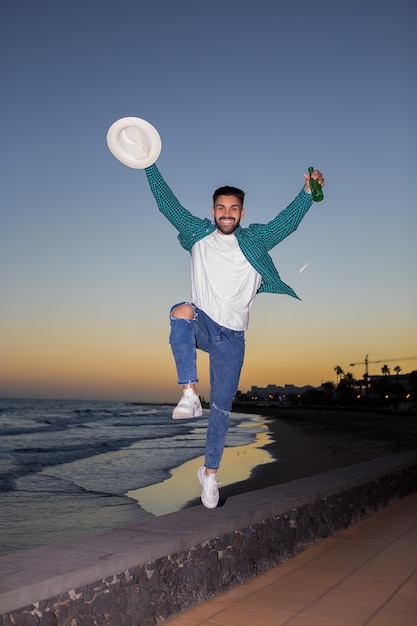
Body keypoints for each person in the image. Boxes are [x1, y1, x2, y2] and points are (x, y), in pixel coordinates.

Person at [144, 164, 325, 508]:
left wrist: (307, 194)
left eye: (234, 209)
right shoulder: (197, 233)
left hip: (233, 337)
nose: (227, 214)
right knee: (180, 312)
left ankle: (210, 476)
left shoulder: (254, 239)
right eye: (221, 208)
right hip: (204, 322)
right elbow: (167, 204)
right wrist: (149, 163)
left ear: (242, 212)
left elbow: (287, 223)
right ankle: (189, 393)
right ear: (212, 211)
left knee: (223, 410)